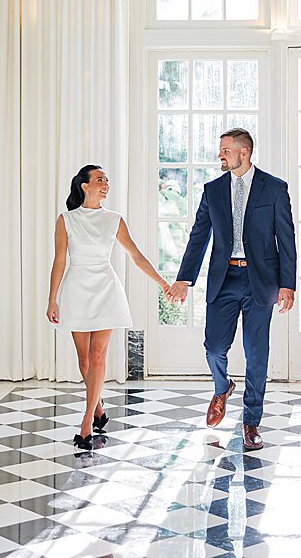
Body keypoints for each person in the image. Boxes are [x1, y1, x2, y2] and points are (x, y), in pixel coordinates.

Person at [169, 128, 297, 452]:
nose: (220, 156)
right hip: (223, 280)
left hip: (262, 282)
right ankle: (222, 386)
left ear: (244, 152)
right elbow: (199, 236)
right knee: (214, 347)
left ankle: (251, 422)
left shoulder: (275, 189)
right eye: (220, 150)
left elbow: (287, 239)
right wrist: (184, 279)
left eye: (225, 150)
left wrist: (288, 284)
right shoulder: (212, 191)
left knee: (257, 354)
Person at [47, 165, 176, 450]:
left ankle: (85, 424)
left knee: (98, 355)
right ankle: (99, 408)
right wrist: (52, 298)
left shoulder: (114, 219)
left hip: (106, 289)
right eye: (100, 180)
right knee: (84, 361)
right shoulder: (66, 220)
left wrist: (162, 283)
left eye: (107, 180)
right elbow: (59, 260)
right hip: (77, 290)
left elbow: (136, 255)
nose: (106, 184)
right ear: (85, 186)